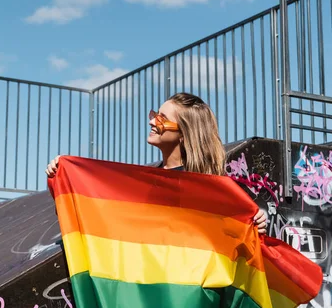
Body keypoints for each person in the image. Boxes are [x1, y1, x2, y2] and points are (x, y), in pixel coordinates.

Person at [45, 92, 268, 233]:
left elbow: (239, 229)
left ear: (184, 134)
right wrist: (65, 175)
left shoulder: (212, 187)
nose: (152, 121)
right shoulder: (147, 181)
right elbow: (101, 214)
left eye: (162, 118)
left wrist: (258, 220)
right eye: (155, 114)